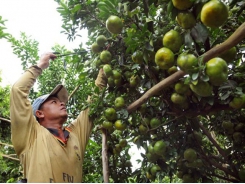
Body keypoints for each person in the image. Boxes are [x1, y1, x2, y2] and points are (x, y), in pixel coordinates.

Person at [10, 52, 107, 183]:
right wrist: (39, 66)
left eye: (60, 101)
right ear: (39, 113)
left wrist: (104, 66)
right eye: (53, 102)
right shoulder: (31, 135)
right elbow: (17, 90)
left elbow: (93, 103)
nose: (62, 103)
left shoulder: (75, 135)